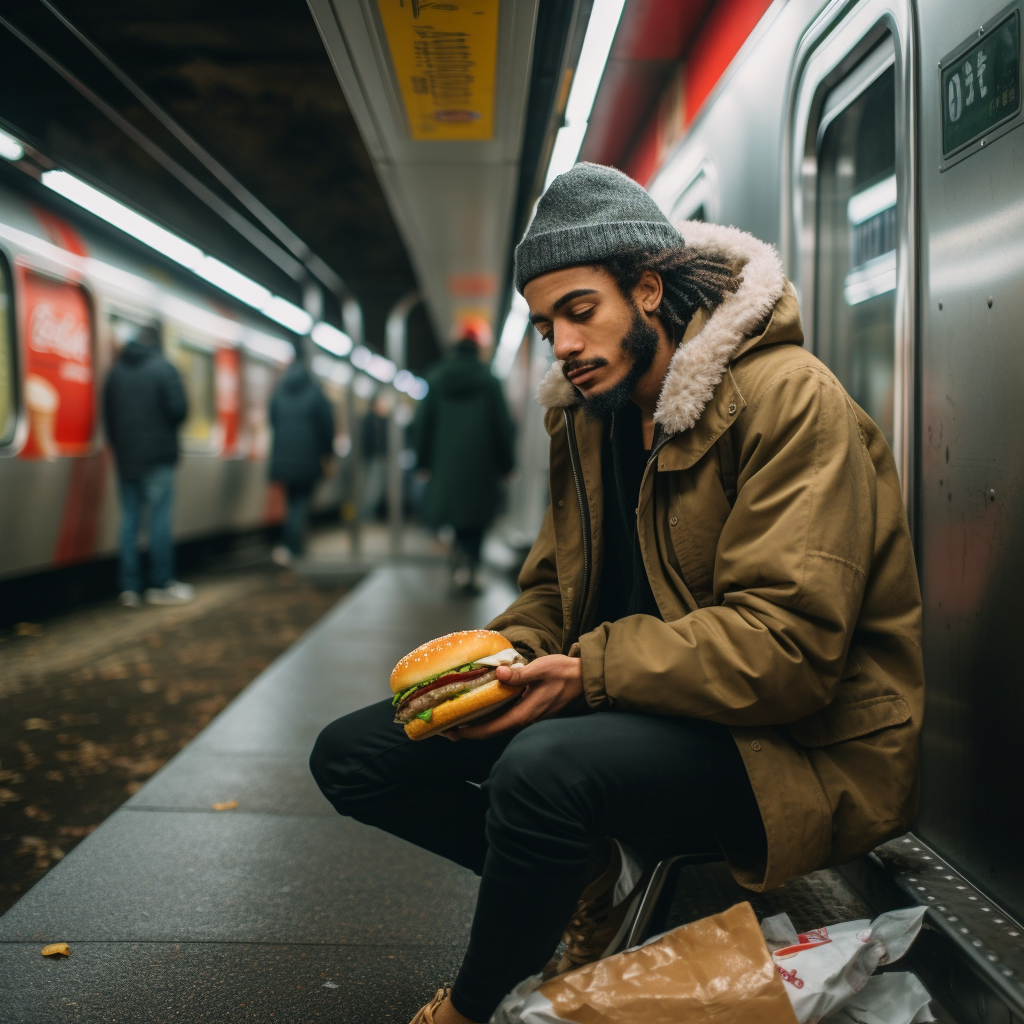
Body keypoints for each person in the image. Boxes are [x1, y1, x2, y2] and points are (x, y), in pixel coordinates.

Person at [309, 164, 924, 1024]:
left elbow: (789, 651)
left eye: (579, 310)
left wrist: (584, 673)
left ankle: (477, 1004)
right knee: (356, 755)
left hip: (788, 739)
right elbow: (555, 588)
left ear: (646, 288)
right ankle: (585, 871)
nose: (561, 342)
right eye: (544, 322)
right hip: (647, 698)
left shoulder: (789, 400)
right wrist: (510, 658)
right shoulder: (586, 418)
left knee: (539, 773)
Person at [414, 330, 515, 592]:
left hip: (445, 463)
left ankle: (458, 561)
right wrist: (507, 465)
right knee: (476, 517)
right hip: (482, 464)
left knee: (455, 515)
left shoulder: (436, 378)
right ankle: (471, 566)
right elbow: (501, 426)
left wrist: (422, 462)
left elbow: (422, 424)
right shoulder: (490, 380)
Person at [103, 324, 194, 607]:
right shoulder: (163, 368)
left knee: (129, 521)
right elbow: (179, 410)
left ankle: (129, 587)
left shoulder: (115, 373)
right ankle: (160, 583)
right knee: (158, 521)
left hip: (126, 459)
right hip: (157, 459)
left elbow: (108, 418)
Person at [269, 357, 335, 565]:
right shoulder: (316, 394)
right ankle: (292, 548)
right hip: (309, 458)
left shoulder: (278, 393)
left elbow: (272, 421)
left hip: (283, 458)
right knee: (301, 504)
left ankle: (293, 547)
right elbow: (327, 427)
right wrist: (327, 454)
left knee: (291, 502)